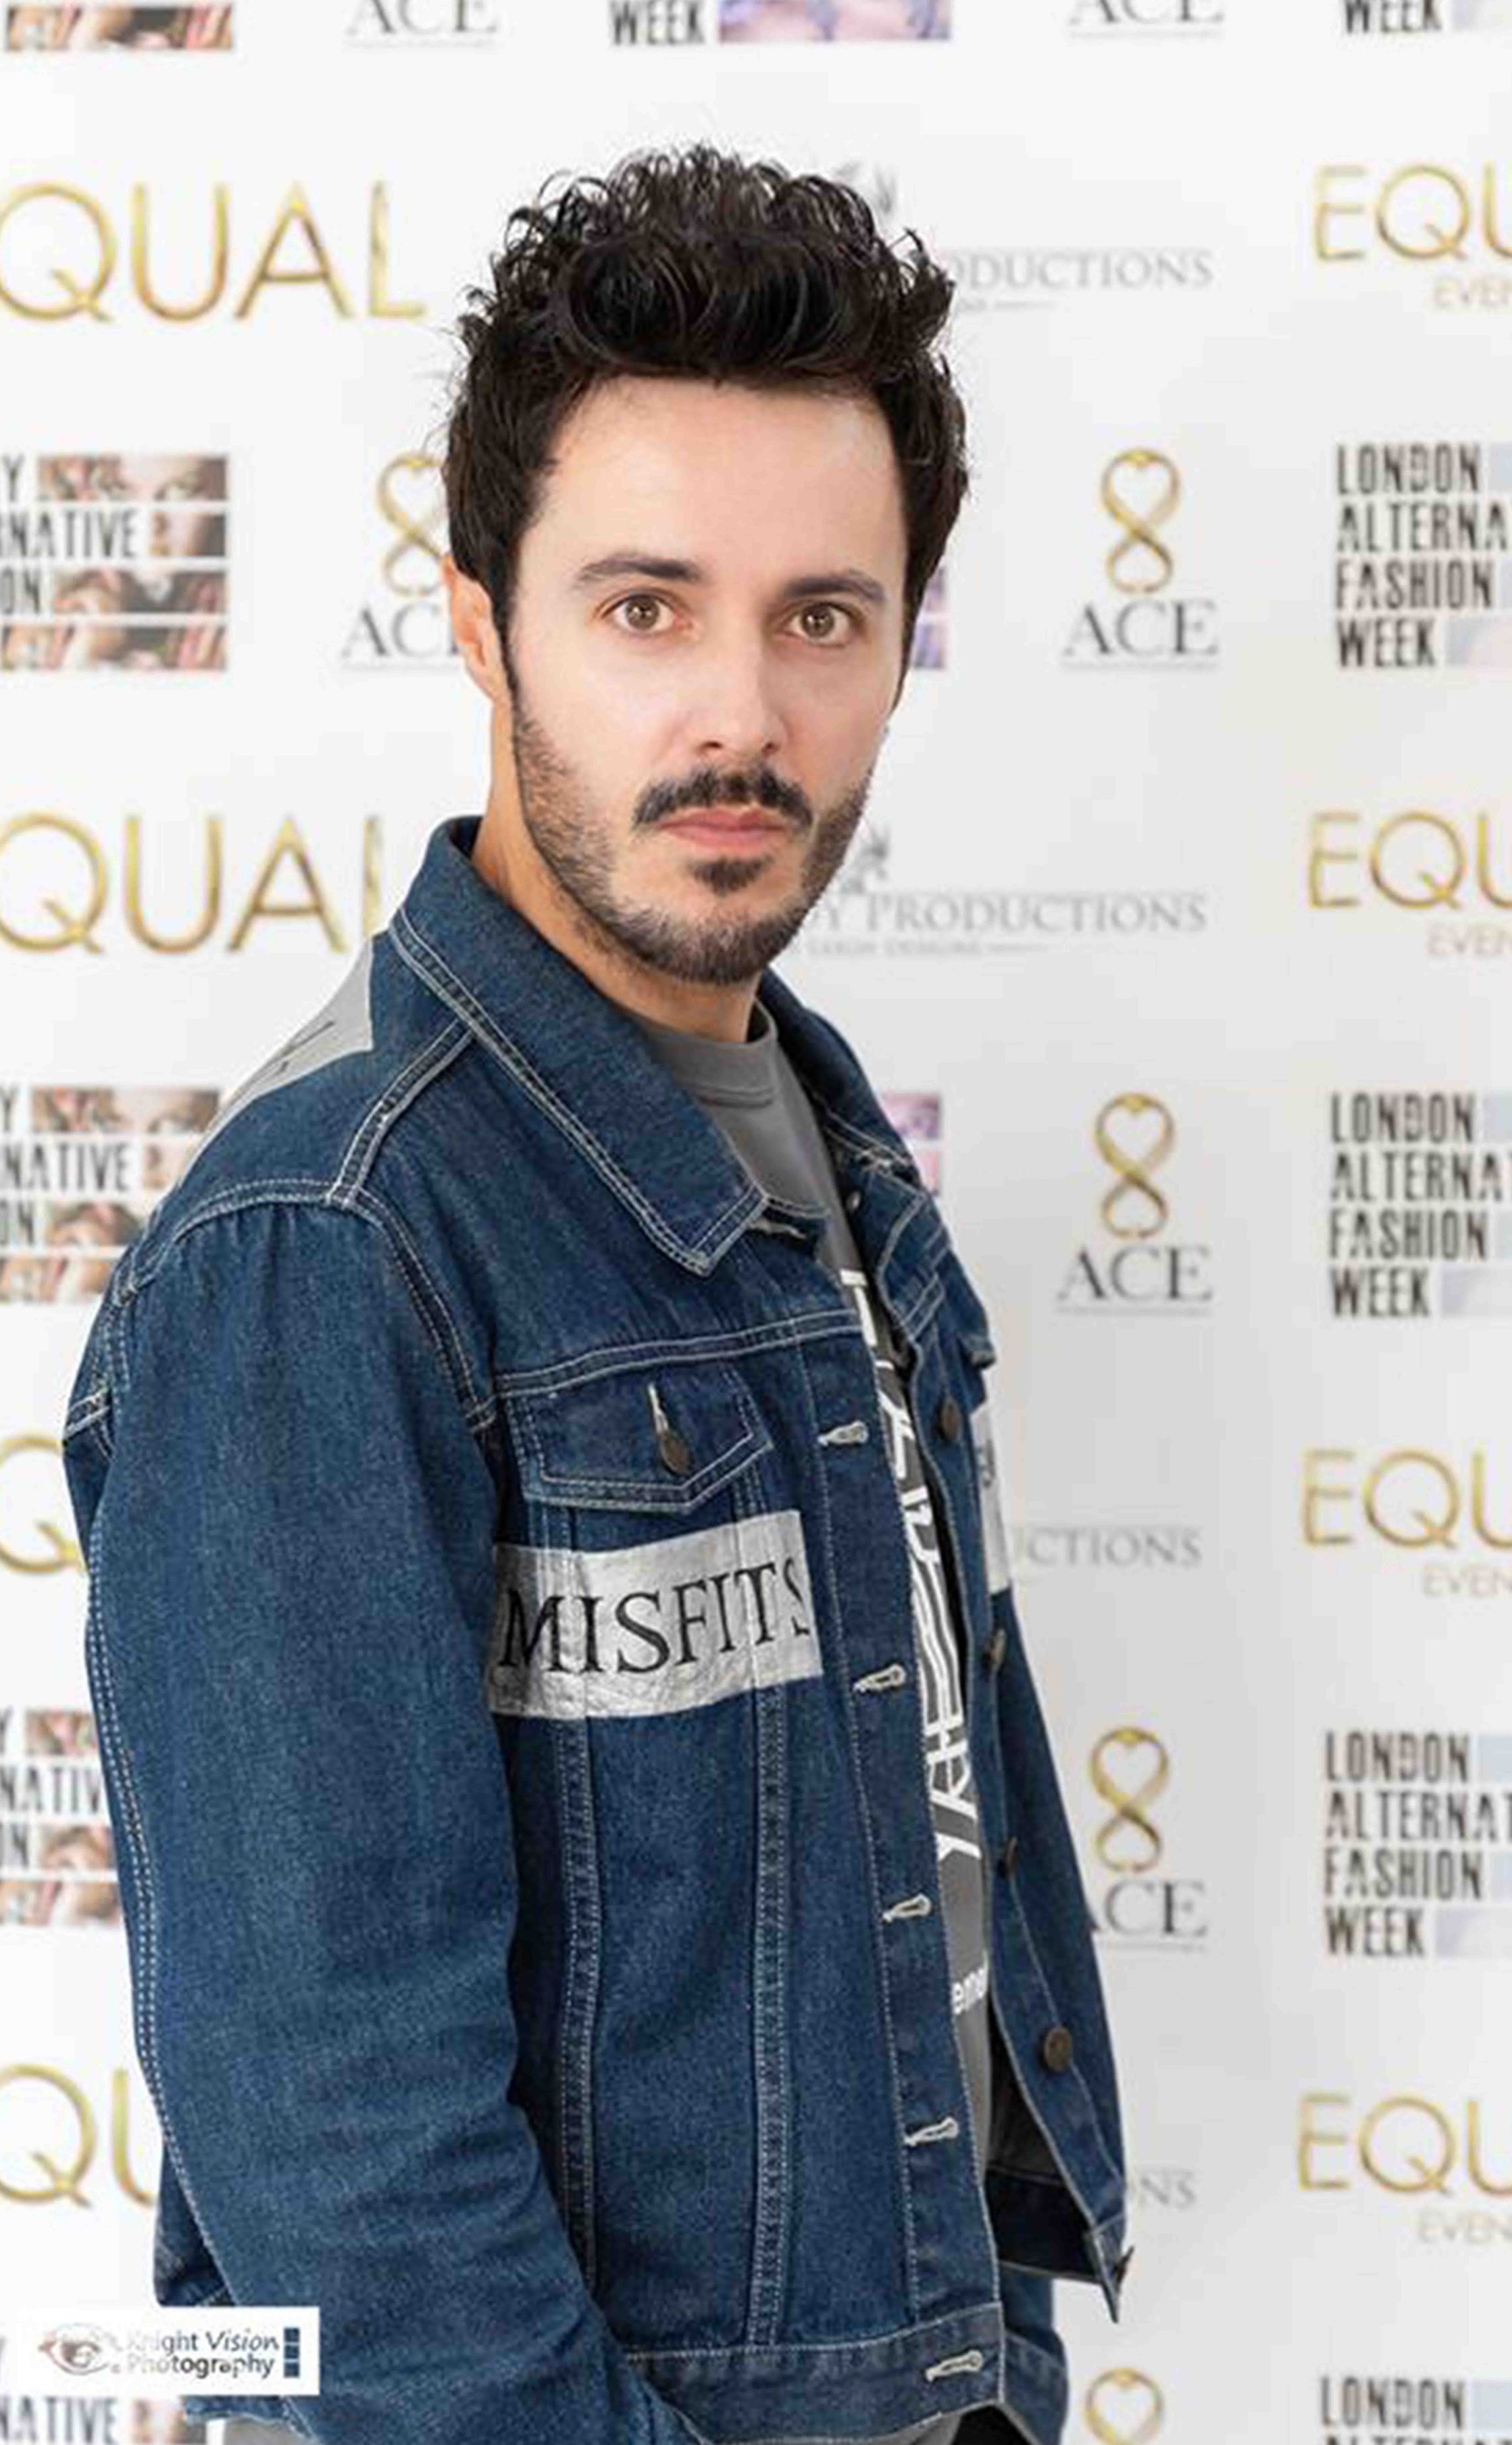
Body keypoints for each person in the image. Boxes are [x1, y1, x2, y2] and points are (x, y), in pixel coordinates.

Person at [59, 141, 1130, 2445]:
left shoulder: (825, 1148)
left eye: (822, 617)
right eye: (646, 607)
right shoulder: (322, 1246)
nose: (740, 716)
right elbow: (345, 2160)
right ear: (480, 623)